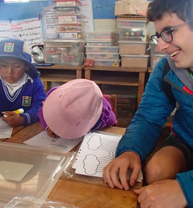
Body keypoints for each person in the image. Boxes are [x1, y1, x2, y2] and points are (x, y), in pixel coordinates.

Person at [103, 0, 193, 207]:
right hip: (187, 141)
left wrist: (186, 189)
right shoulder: (168, 69)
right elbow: (147, 118)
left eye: (169, 31)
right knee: (156, 170)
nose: (161, 46)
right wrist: (130, 151)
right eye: (159, 35)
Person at [0, 38, 46, 127]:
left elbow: (41, 107)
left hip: (24, 128)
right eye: (4, 65)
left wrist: (22, 119)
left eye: (16, 66)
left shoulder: (34, 82)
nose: (10, 71)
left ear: (26, 66)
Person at [37, 79, 116, 139]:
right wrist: (48, 126)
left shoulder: (102, 118)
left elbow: (112, 120)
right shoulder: (55, 96)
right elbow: (42, 110)